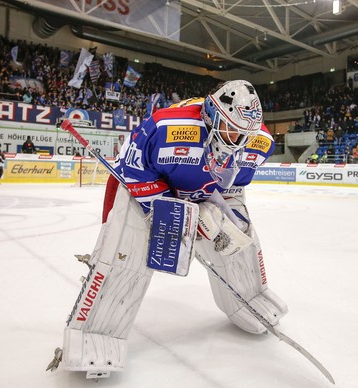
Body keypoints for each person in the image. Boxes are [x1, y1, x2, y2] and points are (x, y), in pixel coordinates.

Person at [53, 80, 287, 377]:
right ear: (213, 116)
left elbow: (233, 188)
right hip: (149, 184)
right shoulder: (166, 128)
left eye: (246, 133)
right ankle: (95, 333)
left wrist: (217, 216)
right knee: (129, 254)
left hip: (203, 187)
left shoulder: (259, 141)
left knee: (241, 235)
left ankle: (250, 297)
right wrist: (180, 214)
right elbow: (135, 173)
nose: (240, 140)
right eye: (233, 129)